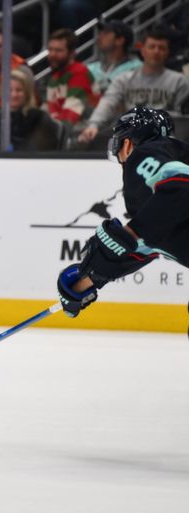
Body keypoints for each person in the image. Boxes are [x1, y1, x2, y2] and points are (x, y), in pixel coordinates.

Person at [57, 106, 187, 319]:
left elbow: (181, 188)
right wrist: (85, 281)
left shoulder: (144, 154)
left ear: (126, 145)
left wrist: (130, 233)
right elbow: (145, 244)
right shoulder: (162, 192)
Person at [78, 28, 189, 145]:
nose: (156, 52)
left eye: (161, 48)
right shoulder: (124, 79)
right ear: (142, 50)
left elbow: (181, 119)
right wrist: (93, 125)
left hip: (165, 139)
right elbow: (108, 102)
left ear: (167, 52)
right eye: (152, 47)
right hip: (130, 137)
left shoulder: (179, 81)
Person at [0, 68, 59, 151]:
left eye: (19, 90)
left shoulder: (37, 117)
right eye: (10, 90)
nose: (14, 95)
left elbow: (43, 148)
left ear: (27, 93)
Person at [43, 28, 97, 125]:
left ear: (72, 53)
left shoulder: (79, 73)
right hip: (64, 131)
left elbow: (70, 117)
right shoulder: (55, 77)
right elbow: (51, 111)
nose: (52, 54)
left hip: (85, 130)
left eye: (58, 50)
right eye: (50, 49)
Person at [86, 20, 141, 95]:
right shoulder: (90, 68)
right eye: (100, 33)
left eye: (106, 33)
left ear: (119, 40)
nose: (99, 37)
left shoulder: (136, 68)